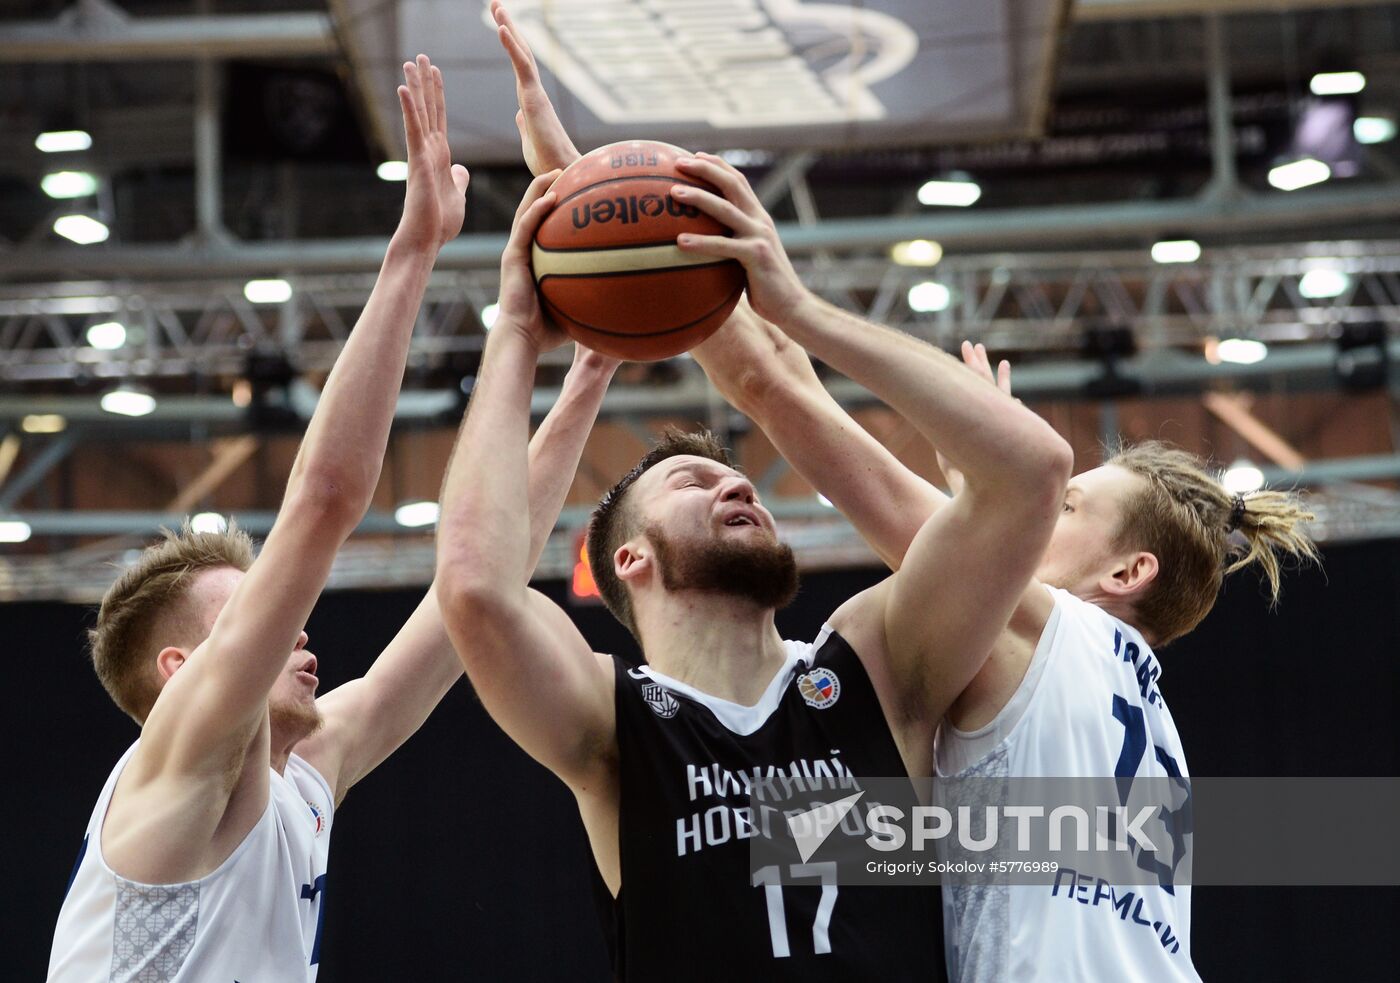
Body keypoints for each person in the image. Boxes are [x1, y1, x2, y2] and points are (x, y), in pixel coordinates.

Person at [432, 103, 1072, 983]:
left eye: (734, 477)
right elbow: (474, 587)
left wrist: (800, 311)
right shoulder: (612, 724)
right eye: (694, 484)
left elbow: (1031, 473)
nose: (737, 481)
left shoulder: (874, 665)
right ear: (632, 559)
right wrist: (514, 334)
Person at [47, 55, 617, 982]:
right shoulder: (179, 765)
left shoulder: (305, 769)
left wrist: (593, 364)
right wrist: (415, 248)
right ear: (181, 673)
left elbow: (472, 589)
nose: (296, 620)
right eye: (251, 615)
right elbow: (323, 502)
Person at [690, 304, 1317, 983]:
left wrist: (733, 295)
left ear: (1127, 572)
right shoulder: (1148, 723)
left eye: (1065, 507)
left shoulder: (1049, 633)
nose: (1042, 512)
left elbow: (777, 389)